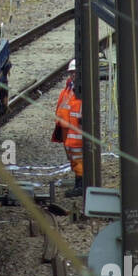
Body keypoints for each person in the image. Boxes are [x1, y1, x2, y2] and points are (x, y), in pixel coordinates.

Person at [51, 59, 84, 198]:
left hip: (76, 133)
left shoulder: (80, 90)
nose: (73, 75)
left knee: (78, 160)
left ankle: (81, 186)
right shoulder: (69, 89)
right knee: (74, 160)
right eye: (71, 72)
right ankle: (79, 184)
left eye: (75, 72)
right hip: (68, 132)